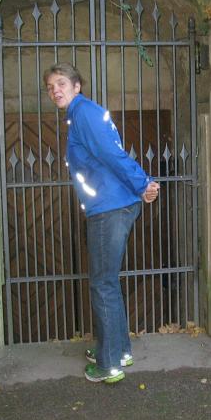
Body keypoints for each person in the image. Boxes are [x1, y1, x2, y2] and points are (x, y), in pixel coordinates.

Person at [44, 63, 160, 384]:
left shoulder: (83, 114)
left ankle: (108, 365)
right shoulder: (81, 114)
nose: (55, 90)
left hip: (110, 208)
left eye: (61, 83)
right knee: (108, 281)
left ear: (76, 86)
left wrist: (142, 183)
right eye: (50, 87)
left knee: (103, 284)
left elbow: (111, 154)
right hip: (111, 205)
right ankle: (118, 351)